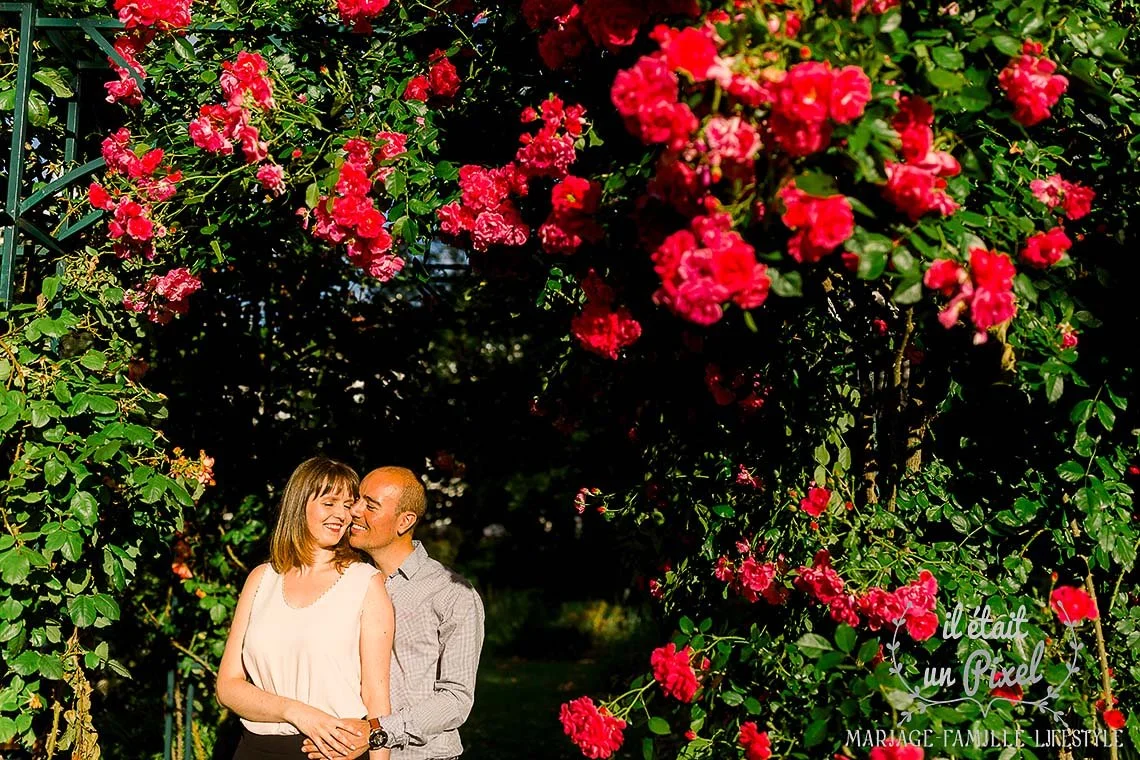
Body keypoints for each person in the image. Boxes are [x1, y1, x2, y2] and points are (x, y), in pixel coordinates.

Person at [216, 457, 396, 760]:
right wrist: (297, 712)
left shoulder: (366, 583)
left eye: (348, 505)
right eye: (329, 503)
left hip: (332, 753)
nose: (342, 514)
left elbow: (377, 700)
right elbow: (228, 686)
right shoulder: (262, 579)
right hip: (255, 750)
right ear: (300, 505)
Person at [302, 466, 485, 760]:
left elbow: (456, 699)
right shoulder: (344, 579)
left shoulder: (452, 595)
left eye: (370, 505)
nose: (354, 511)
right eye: (357, 500)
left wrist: (377, 733)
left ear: (405, 522)